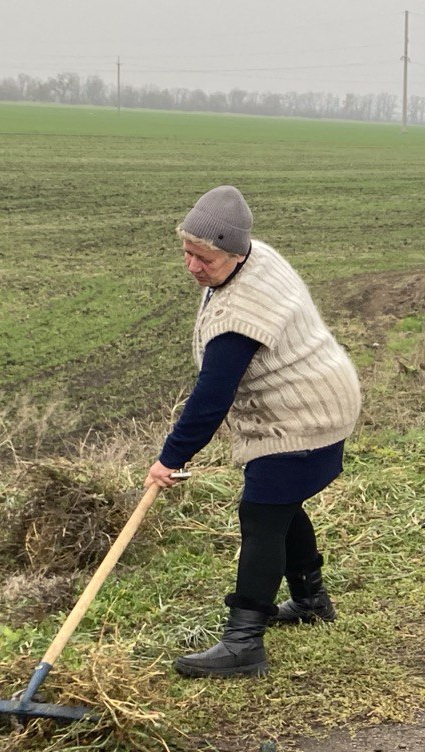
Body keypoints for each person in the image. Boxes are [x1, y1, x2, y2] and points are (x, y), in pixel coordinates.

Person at [147, 185, 362, 678]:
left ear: (235, 253)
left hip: (304, 414)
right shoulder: (252, 255)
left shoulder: (241, 315)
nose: (193, 267)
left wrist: (171, 458)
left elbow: (211, 398)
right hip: (321, 391)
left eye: (205, 259)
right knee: (283, 503)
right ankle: (312, 602)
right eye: (187, 253)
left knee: (262, 513)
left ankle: (244, 642)